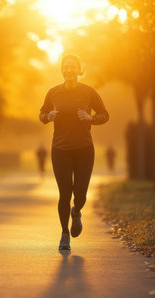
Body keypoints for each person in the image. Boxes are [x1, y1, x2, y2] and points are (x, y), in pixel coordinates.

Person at [39, 54, 109, 250]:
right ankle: (64, 234)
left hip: (84, 149)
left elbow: (105, 115)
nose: (69, 70)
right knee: (64, 193)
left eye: (73, 67)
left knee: (80, 194)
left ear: (78, 70)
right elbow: (41, 114)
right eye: (66, 67)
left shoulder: (88, 92)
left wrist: (90, 117)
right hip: (60, 149)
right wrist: (48, 116)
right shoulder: (53, 92)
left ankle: (76, 211)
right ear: (62, 70)